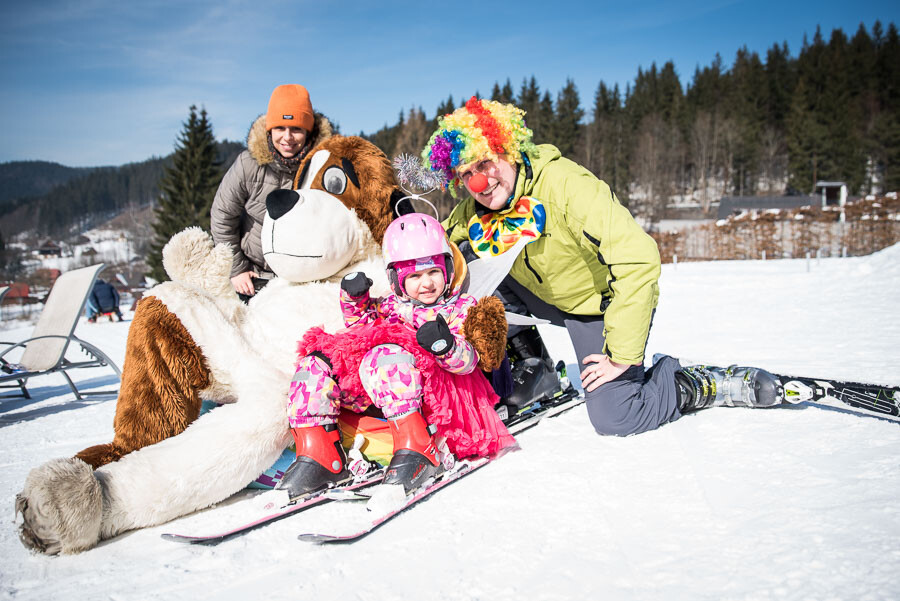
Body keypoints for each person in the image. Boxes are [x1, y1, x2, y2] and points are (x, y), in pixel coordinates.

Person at [421, 97, 782, 437]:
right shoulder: (474, 210)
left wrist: (622, 355)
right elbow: (434, 244)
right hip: (544, 299)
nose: (479, 182)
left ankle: (692, 384)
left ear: (508, 149)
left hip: (598, 307)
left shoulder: (566, 185)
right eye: (466, 174)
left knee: (616, 415)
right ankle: (535, 368)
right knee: (459, 268)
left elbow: (638, 258)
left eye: (484, 164)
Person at [276, 212, 516, 498]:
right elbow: (361, 329)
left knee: (387, 356)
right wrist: (355, 300)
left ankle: (419, 449)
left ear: (448, 270)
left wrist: (446, 346)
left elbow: (471, 362)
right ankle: (320, 454)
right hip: (395, 392)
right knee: (315, 363)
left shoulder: (460, 307)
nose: (425, 283)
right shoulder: (390, 306)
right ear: (395, 279)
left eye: (433, 272)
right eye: (414, 276)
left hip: (444, 397)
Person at [211, 84, 333, 300]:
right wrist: (237, 269)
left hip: (305, 277)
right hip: (252, 274)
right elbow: (222, 216)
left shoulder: (324, 165)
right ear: (269, 130)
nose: (287, 137)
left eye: (296, 129)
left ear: (308, 131)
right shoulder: (247, 164)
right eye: (280, 128)